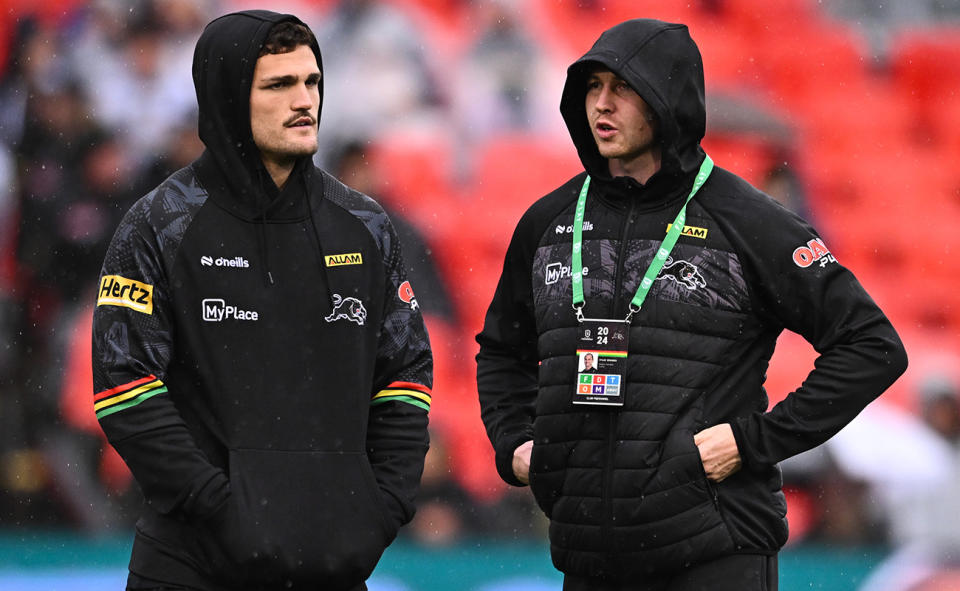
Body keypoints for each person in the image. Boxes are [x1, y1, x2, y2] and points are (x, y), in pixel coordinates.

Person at [476, 18, 907, 591]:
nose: (601, 105)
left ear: (667, 99)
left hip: (715, 551)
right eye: (591, 87)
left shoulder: (749, 220)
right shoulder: (547, 222)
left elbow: (872, 347)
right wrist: (516, 445)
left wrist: (756, 441)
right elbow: (501, 352)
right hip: (589, 557)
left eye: (622, 88)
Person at [92, 10, 432, 591]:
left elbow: (406, 375)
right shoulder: (160, 224)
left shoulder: (366, 226)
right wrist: (222, 508)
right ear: (227, 98)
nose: (304, 100)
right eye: (279, 85)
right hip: (191, 566)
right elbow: (123, 385)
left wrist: (380, 509)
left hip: (332, 567)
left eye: (312, 81)